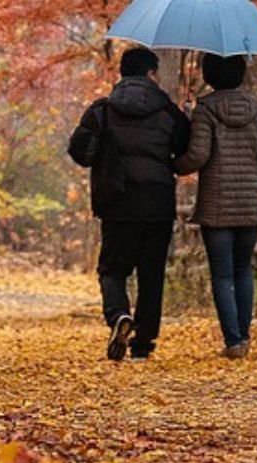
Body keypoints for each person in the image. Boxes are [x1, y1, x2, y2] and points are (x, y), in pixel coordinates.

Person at [68, 47, 190, 361]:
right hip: (157, 202)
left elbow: (80, 151)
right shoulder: (168, 112)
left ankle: (118, 315)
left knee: (113, 269)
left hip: (117, 200)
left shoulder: (102, 110)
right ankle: (143, 344)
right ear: (151, 74)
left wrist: (102, 156)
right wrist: (186, 115)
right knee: (151, 274)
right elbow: (184, 148)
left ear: (122, 74)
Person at [175, 54, 257, 359]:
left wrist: (173, 164)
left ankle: (233, 341)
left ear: (209, 73)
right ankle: (243, 337)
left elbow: (197, 157)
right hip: (249, 201)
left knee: (222, 274)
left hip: (217, 204)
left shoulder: (206, 109)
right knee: (244, 269)